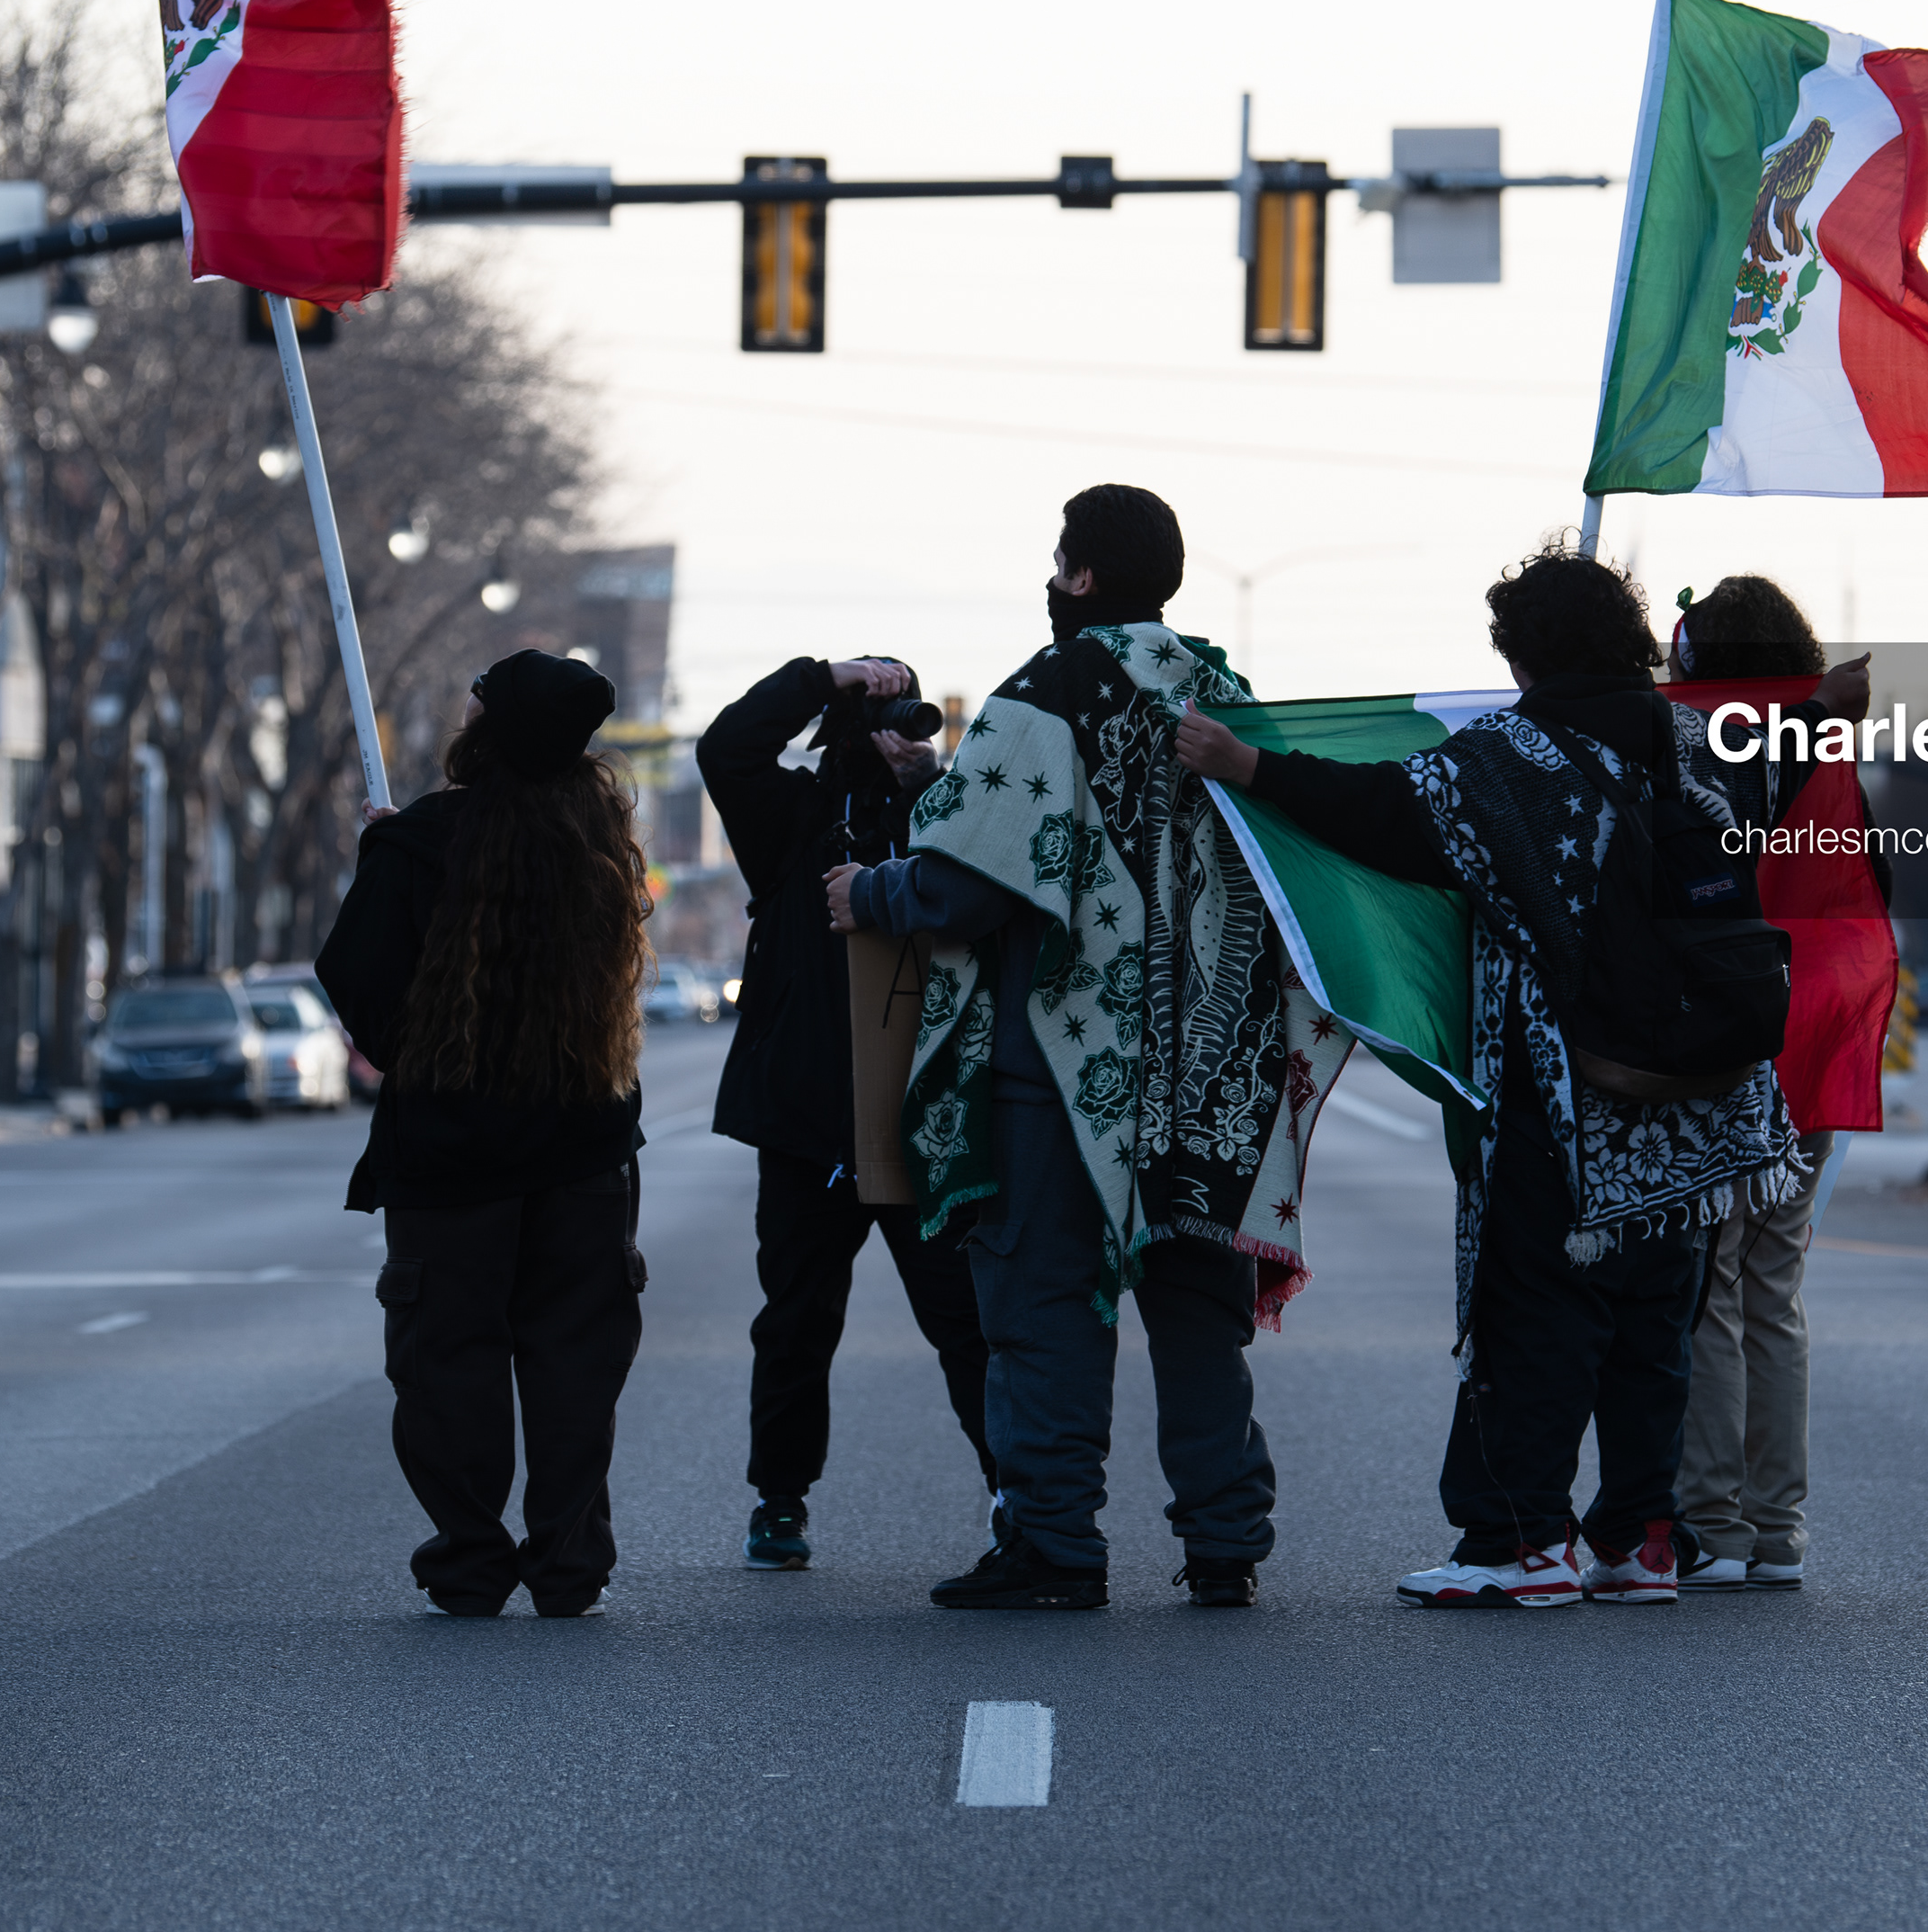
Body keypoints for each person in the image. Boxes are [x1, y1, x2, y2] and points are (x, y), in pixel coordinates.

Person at [1174, 545, 1813, 1609]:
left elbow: (1383, 813)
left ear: (1528, 650)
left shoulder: (1507, 756)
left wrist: (1250, 767)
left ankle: (1520, 1541)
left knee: (1539, 1314)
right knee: (1657, 1321)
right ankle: (1643, 1540)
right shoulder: (1701, 741)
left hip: (1571, 1097)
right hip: (1709, 1094)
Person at [826, 484, 1349, 1612]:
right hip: (1210, 1075)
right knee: (1199, 1318)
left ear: (1077, 576)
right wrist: (940, 790)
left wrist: (871, 889)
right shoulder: (1226, 694)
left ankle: (1055, 1545)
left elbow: (969, 888)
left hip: (1061, 1072)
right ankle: (1225, 1542)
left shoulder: (1046, 692)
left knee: (1045, 1311)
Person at [317, 650, 650, 1620]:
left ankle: (469, 1556)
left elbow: (355, 971)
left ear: (485, 733)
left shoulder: (420, 845)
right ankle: (568, 1559)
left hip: (449, 1152)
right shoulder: (601, 847)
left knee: (446, 1359)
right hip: (583, 1146)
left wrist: (414, 1052)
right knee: (576, 1357)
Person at [699, 651, 994, 1573]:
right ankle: (778, 1500)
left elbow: (990, 879)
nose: (893, 734)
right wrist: (823, 677)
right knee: (795, 1319)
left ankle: (1014, 1490)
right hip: (806, 1122)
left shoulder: (942, 819)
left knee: (964, 1319)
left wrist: (927, 786)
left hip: (923, 1118)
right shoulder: (791, 824)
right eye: (876, 719)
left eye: (906, 716)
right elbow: (727, 749)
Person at [1661, 575, 1886, 1593]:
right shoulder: (1830, 764)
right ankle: (1778, 1527)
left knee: (1709, 1278)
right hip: (1812, 1039)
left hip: (1731, 1038)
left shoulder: (1715, 746)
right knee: (1775, 1287)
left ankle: (1711, 1520)